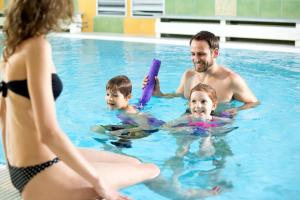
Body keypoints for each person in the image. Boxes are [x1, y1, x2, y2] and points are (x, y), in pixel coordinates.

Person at [0, 1, 159, 200]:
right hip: (41, 172)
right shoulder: (37, 47)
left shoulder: (12, 50)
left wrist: (12, 166)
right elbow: (48, 132)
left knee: (133, 163)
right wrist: (99, 184)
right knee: (150, 169)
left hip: (19, 168)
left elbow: (3, 113)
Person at [143, 30, 259, 115]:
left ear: (215, 53)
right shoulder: (188, 76)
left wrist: (237, 110)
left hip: (217, 126)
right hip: (189, 120)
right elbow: (178, 96)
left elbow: (254, 103)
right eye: (193, 54)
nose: (196, 59)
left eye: (201, 54)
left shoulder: (230, 79)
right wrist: (159, 94)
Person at [92, 75, 164, 140]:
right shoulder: (120, 108)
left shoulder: (131, 113)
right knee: (97, 129)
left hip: (148, 129)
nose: (110, 98)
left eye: (115, 95)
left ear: (128, 97)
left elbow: (146, 127)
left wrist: (122, 131)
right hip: (129, 126)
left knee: (117, 135)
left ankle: (117, 150)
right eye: (108, 94)